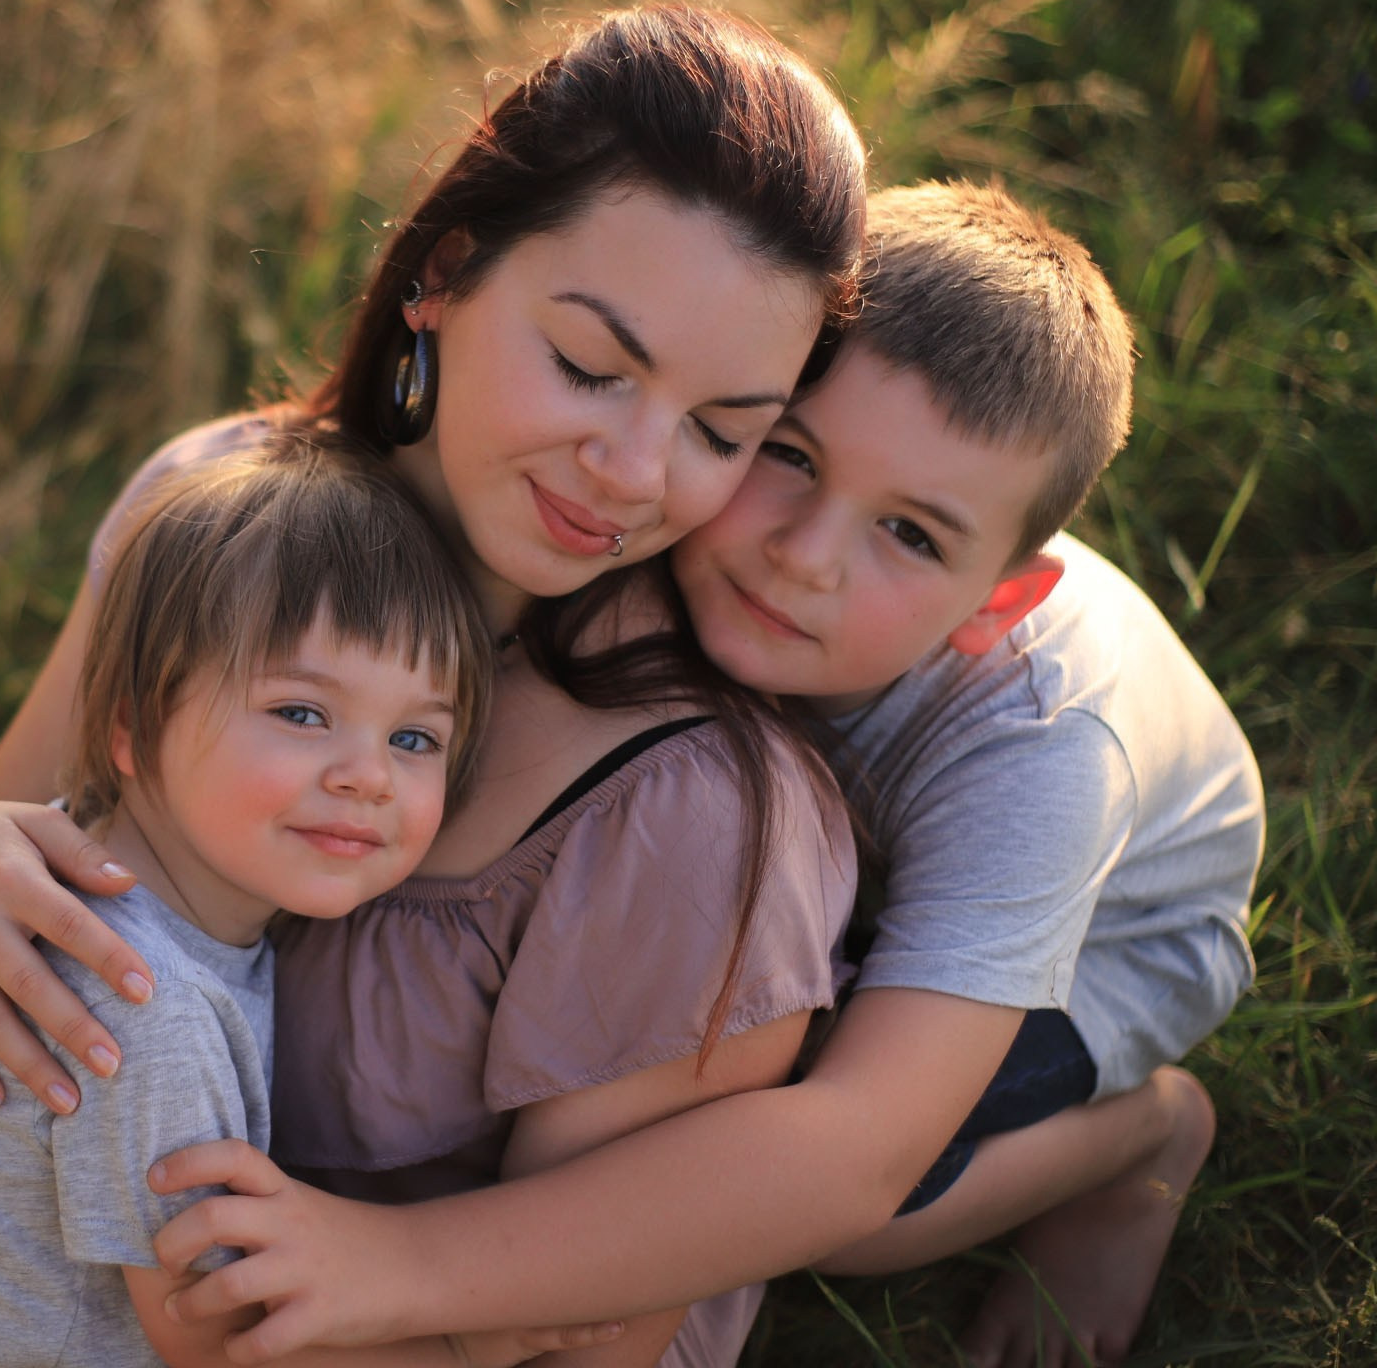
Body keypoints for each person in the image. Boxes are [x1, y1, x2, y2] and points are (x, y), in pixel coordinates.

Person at [0, 0, 871, 1368]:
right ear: (440, 278)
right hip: (50, 1304)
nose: (632, 471)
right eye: (586, 366)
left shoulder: (683, 809)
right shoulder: (215, 516)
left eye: (720, 432)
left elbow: (591, 1338)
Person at [136, 183, 1264, 1368]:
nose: (805, 556)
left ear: (999, 601)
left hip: (1122, 935)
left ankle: (1143, 1136)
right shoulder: (645, 521)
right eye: (785, 454)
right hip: (839, 832)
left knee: (848, 1209)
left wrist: (404, 1269)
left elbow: (859, 1143)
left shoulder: (1042, 753)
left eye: (910, 533)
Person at [0, 428, 620, 1367]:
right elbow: (216, 1338)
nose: (368, 777)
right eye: (302, 713)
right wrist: (467, 1342)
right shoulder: (148, 1008)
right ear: (137, 727)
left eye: (415, 740)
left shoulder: (76, 858)